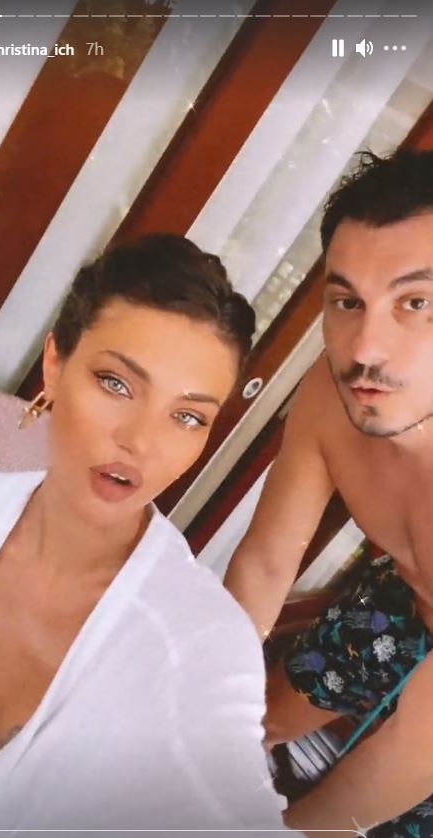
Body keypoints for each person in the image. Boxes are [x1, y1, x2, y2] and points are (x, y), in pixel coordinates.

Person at [0, 234, 300, 838]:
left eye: (187, 416)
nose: (140, 441)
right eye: (117, 384)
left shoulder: (202, 647)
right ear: (55, 363)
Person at [225, 149, 433, 837]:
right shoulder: (329, 392)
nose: (364, 348)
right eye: (347, 302)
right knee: (255, 714)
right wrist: (205, 706)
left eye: (415, 303)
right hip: (405, 594)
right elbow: (265, 562)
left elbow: (416, 749)